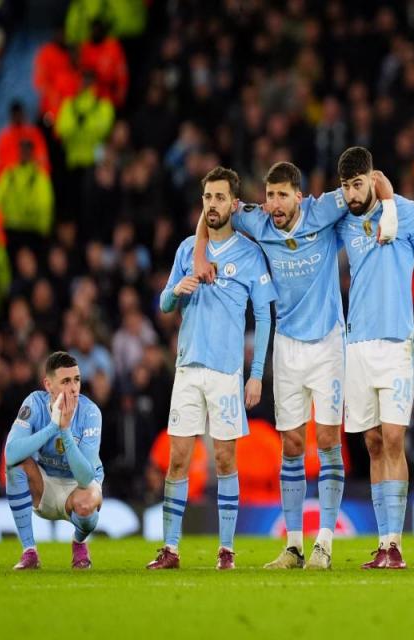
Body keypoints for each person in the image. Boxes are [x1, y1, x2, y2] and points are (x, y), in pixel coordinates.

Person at [192, 162, 396, 570]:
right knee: (291, 445)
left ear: (298, 196)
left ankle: (325, 542)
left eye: (282, 195)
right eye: (269, 195)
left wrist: (388, 209)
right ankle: (294, 546)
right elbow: (213, 210)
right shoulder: (258, 219)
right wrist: (199, 251)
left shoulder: (323, 210)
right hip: (286, 346)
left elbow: (374, 179)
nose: (274, 204)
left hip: (328, 344)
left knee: (326, 441)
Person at [146, 166, 276, 570]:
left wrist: (255, 375)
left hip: (225, 373)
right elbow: (164, 305)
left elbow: (265, 317)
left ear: (234, 204)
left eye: (220, 198)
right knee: (178, 459)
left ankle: (226, 549)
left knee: (224, 461)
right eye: (207, 198)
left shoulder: (250, 253)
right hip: (187, 369)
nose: (213, 205)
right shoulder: (188, 250)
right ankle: (170, 549)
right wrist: (176, 291)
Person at [335, 147, 414, 569]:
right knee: (373, 442)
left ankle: (395, 543)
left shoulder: (409, 214)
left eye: (357, 184)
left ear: (373, 178)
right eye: (345, 186)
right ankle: (382, 542)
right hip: (357, 344)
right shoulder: (343, 218)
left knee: (394, 438)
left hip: (397, 342)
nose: (351, 194)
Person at [3, 351, 103, 570]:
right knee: (15, 466)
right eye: (65, 381)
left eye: (77, 380)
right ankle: (29, 551)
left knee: (86, 506)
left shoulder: (90, 412)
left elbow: (86, 478)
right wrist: (52, 427)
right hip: (44, 483)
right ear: (48, 385)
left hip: (78, 488)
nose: (74, 388)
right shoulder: (35, 403)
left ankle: (79, 542)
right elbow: (10, 454)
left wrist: (65, 431)